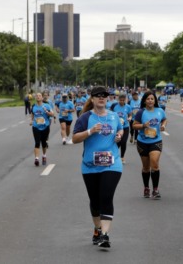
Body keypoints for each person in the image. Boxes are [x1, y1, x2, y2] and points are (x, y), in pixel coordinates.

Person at [72, 86, 124, 249]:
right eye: (98, 96)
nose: (102, 98)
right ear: (92, 99)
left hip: (112, 163)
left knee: (106, 197)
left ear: (108, 99)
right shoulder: (85, 117)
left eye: (104, 96)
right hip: (90, 166)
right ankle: (97, 228)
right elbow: (74, 139)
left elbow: (121, 130)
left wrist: (119, 136)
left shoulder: (114, 116)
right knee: (95, 201)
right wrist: (90, 131)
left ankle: (105, 235)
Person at [133, 91, 167, 199]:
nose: (150, 101)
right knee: (146, 167)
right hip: (142, 142)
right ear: (144, 101)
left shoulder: (160, 110)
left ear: (155, 100)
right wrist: (143, 125)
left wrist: (163, 125)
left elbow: (165, 119)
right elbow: (134, 126)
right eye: (148, 99)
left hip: (156, 141)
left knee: (154, 164)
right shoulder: (140, 112)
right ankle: (146, 187)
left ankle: (155, 189)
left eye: (152, 99)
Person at [31, 93, 54, 166]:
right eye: (36, 96)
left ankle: (44, 156)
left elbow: (52, 114)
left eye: (39, 96)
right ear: (35, 98)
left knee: (44, 143)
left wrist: (46, 111)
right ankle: (36, 159)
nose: (38, 97)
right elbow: (32, 114)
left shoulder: (46, 105)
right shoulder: (33, 106)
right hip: (36, 126)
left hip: (45, 126)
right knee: (37, 142)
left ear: (42, 98)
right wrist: (31, 120)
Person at [110, 93, 132, 164]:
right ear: (118, 99)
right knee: (117, 142)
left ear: (125, 100)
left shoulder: (128, 107)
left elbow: (130, 115)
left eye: (123, 100)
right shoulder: (114, 106)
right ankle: (114, 154)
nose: (122, 102)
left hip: (125, 127)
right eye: (120, 100)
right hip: (116, 127)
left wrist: (129, 118)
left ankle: (122, 157)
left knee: (123, 142)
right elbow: (110, 114)